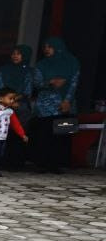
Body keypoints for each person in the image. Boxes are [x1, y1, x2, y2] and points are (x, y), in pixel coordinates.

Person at [30, 36, 79, 174]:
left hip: (66, 105)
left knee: (63, 134)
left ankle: (59, 164)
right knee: (44, 134)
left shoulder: (72, 62)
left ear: (58, 47)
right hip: (45, 106)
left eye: (49, 47)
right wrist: (50, 82)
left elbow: (74, 83)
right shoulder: (42, 64)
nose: (46, 49)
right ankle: (42, 164)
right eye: (45, 47)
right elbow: (36, 83)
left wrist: (67, 100)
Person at [0, 45, 37, 170]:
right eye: (13, 53)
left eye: (19, 54)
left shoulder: (28, 71)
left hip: (20, 106)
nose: (15, 56)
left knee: (18, 134)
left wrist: (12, 100)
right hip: (3, 104)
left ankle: (16, 163)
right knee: (2, 134)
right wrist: (7, 100)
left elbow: (28, 90)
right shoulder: (4, 69)